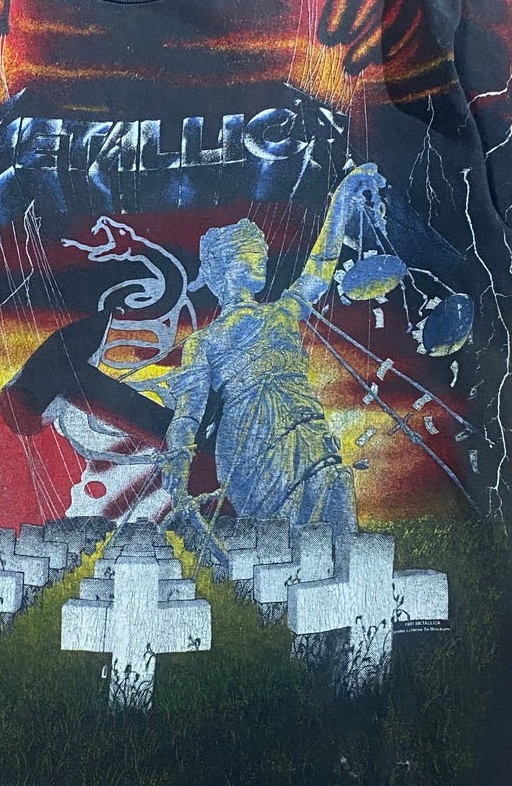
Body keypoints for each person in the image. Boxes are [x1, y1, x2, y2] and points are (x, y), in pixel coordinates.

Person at [159, 164, 386, 534]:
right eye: (252, 251)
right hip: (250, 447)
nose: (263, 256)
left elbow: (320, 268)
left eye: (262, 251)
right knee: (285, 538)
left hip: (308, 432)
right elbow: (187, 415)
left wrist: (342, 199)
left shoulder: (283, 312)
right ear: (227, 265)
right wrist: (177, 459)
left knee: (337, 488)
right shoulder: (204, 341)